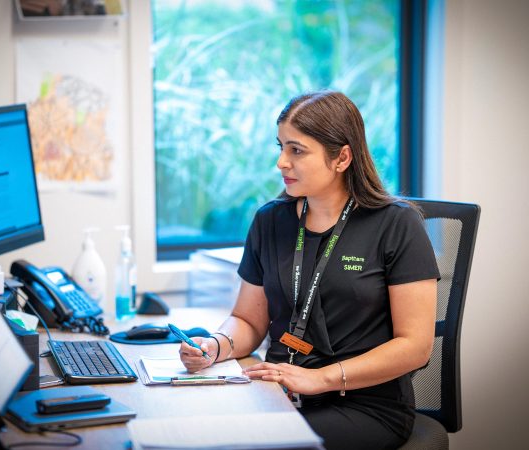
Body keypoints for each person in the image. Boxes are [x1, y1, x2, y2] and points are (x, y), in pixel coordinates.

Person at [179, 91, 439, 449]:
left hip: (364, 405)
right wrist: (215, 345)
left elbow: (415, 347)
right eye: (280, 147)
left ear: (342, 157)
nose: (281, 162)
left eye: (296, 150)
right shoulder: (270, 220)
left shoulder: (397, 225)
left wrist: (322, 379)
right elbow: (249, 320)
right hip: (278, 392)